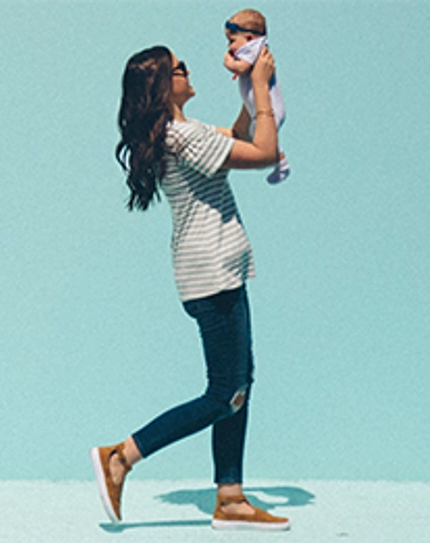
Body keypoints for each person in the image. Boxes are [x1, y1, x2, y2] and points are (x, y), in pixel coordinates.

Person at [90, 44, 290, 531]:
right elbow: (262, 153)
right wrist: (262, 88)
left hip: (213, 267)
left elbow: (241, 135)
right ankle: (122, 456)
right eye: (179, 68)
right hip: (213, 270)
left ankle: (231, 496)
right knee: (225, 391)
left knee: (239, 383)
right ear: (163, 85)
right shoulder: (181, 138)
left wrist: (249, 86)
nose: (188, 71)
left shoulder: (186, 133)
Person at [223, 8, 290, 185]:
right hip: (259, 110)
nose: (229, 47)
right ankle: (278, 159)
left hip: (270, 110)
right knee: (254, 140)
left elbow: (243, 68)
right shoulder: (252, 47)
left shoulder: (253, 49)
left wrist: (229, 63)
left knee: (258, 143)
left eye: (231, 41)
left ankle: (280, 160)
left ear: (249, 38)